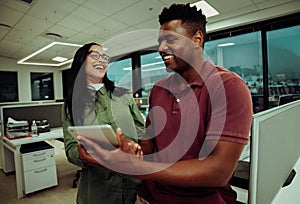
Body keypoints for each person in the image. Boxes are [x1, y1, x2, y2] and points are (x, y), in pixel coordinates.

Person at [77, 3, 253, 204]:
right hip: (149, 198)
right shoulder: (160, 89)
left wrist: (131, 166)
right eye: (160, 42)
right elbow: (150, 146)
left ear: (197, 40)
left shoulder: (229, 87)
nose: (161, 48)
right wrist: (130, 151)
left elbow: (218, 171)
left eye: (170, 40)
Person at [62, 42, 145, 204]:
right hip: (97, 189)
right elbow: (71, 148)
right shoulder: (72, 104)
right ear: (81, 61)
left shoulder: (124, 95)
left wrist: (138, 148)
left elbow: (142, 131)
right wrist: (83, 155)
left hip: (132, 183)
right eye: (95, 55)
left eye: (105, 57)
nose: (102, 60)